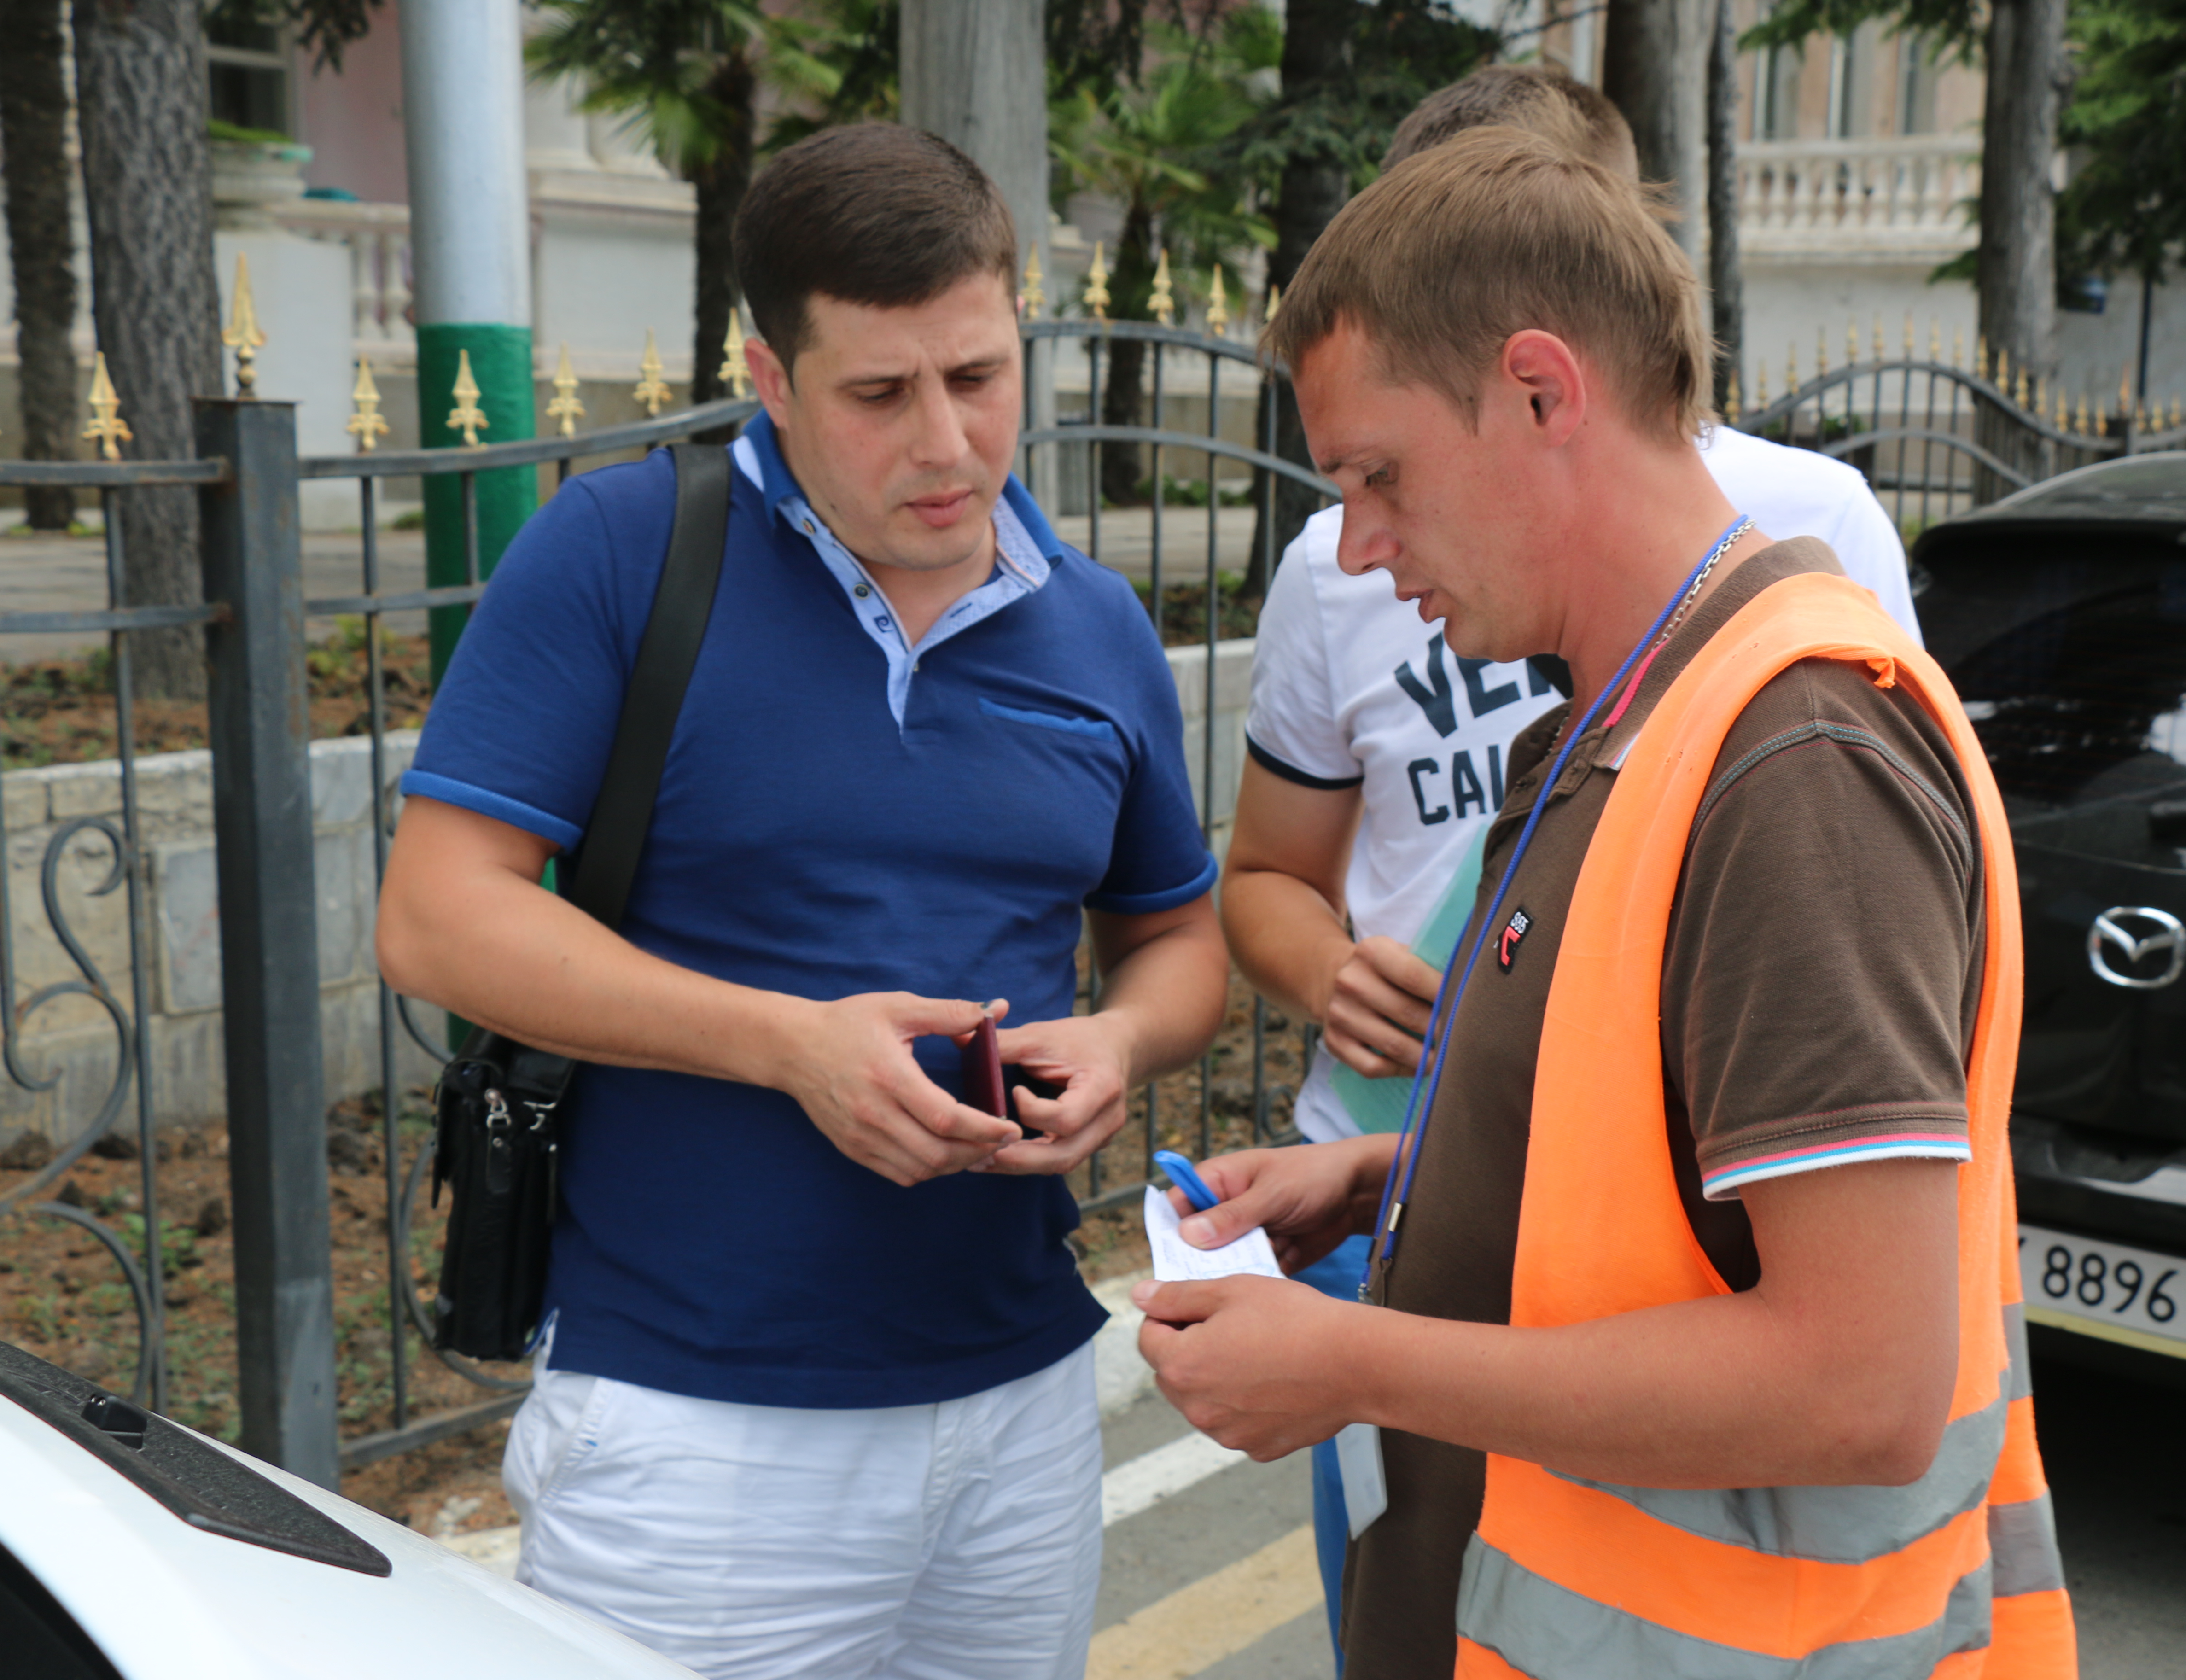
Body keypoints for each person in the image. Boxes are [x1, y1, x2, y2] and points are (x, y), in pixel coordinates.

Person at [1140, 128, 2075, 1679]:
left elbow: (1864, 1384)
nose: (1359, 549)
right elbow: (1663, 1169)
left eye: (1379, 475)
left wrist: (1354, 1358)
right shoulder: (1624, 714)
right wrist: (1395, 1179)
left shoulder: (1796, 759)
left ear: (1539, 391)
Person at [375, 124, 1228, 1680]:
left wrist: (1120, 1041)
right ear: (771, 381)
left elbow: (1177, 939)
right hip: (699, 1431)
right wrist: (789, 1046)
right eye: (880, 395)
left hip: (1022, 1405)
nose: (950, 445)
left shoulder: (1095, 625)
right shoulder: (627, 552)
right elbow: (438, 919)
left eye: (979, 377)